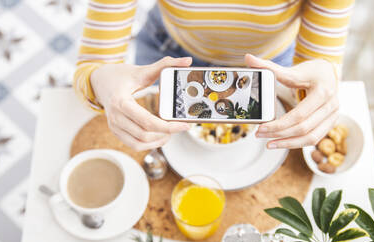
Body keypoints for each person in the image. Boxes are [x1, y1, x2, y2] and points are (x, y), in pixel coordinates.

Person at [74, 0, 354, 151]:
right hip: (167, 51)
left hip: (271, 66)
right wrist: (101, 82)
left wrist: (325, 75)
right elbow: (92, 65)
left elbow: (318, 64)